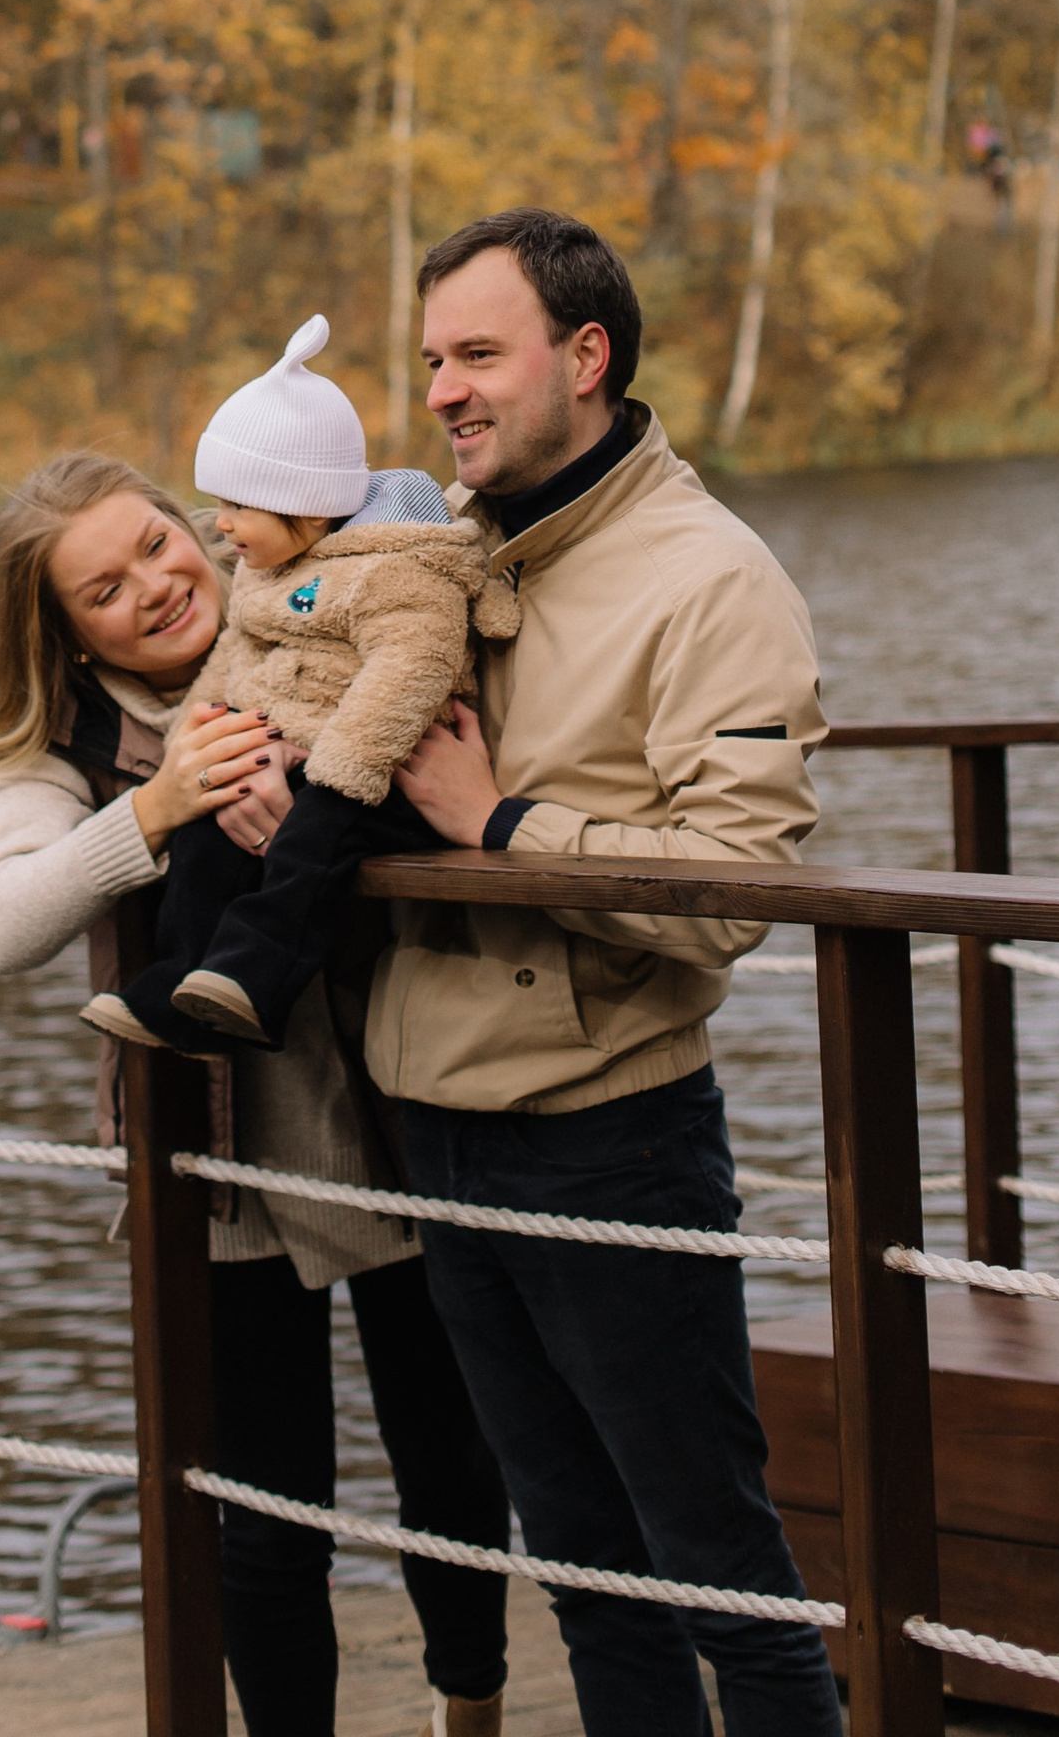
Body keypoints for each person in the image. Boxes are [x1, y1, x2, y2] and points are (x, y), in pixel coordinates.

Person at [0, 444, 512, 1737]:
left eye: (157, 544)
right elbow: (5, 922)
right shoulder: (61, 750)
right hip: (223, 1143)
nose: (150, 586)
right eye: (101, 589)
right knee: (267, 1496)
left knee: (452, 1448)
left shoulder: (308, 622)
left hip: (404, 1089)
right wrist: (158, 811)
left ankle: (469, 1707)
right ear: (61, 634)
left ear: (204, 527)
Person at [378, 206, 842, 1737]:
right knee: (584, 1573)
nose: (445, 387)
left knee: (721, 1575)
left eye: (479, 354)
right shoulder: (430, 559)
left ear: (586, 357)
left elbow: (739, 887)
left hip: (609, 1136)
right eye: (433, 357)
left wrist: (499, 823)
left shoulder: (710, 577)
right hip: (434, 1122)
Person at [81, 315, 500, 1054]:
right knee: (208, 834)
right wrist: (199, 740)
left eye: (239, 507)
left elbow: (412, 669)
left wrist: (337, 768)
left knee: (313, 838)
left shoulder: (393, 571)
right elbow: (236, 655)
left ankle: (256, 979)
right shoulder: (269, 570)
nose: (222, 528)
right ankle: (183, 980)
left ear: (303, 504)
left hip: (386, 770)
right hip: (303, 754)